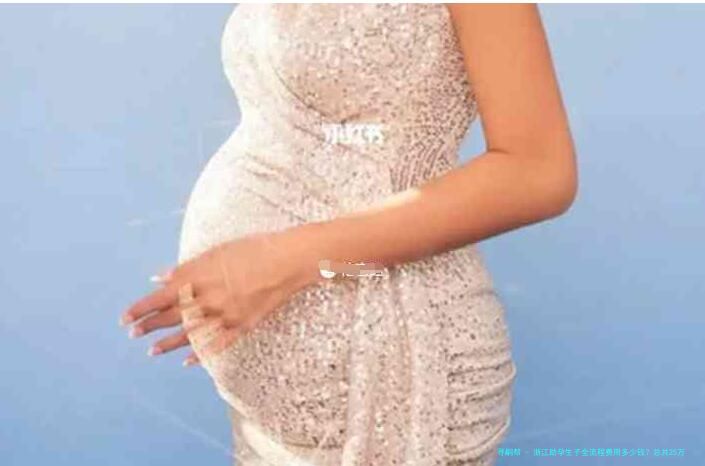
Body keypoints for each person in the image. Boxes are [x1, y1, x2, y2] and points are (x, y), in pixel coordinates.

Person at [121, 4, 577, 465]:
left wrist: (282, 262)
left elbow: (538, 171)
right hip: (274, 403)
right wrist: (233, 279)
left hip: (391, 366)